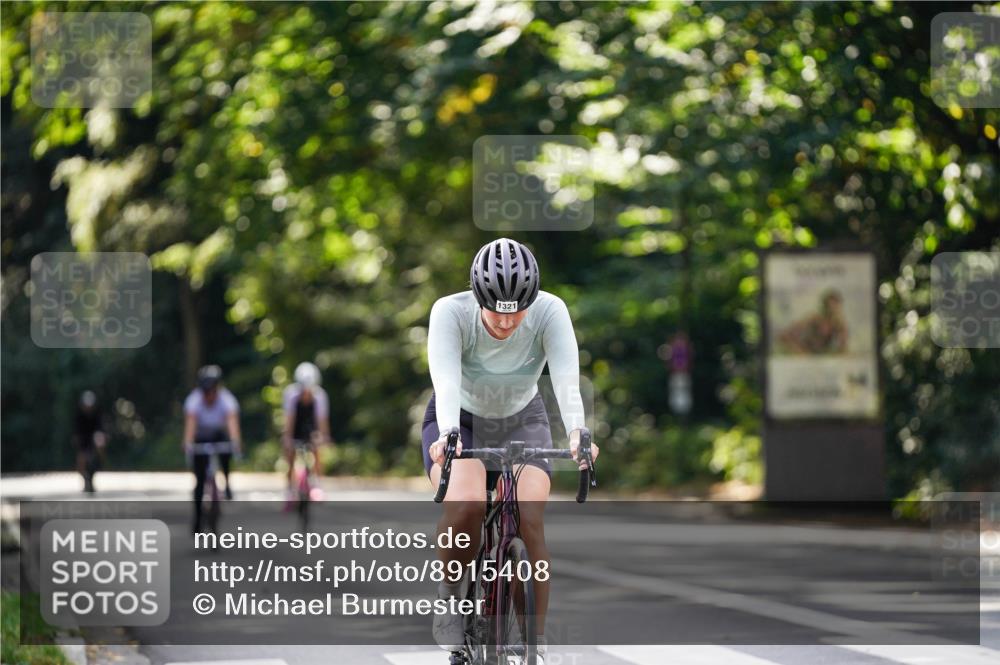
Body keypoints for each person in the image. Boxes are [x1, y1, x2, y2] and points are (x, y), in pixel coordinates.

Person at [423, 237, 600, 662]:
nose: (507, 324)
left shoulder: (550, 311)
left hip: (524, 418)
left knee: (528, 518)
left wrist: (578, 433)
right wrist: (448, 434)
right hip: (460, 419)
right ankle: (450, 596)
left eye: (517, 312)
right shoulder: (451, 312)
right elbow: (445, 382)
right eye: (497, 314)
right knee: (465, 506)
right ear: (477, 296)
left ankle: (534, 642)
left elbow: (566, 382)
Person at [182, 365, 242, 533]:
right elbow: (190, 426)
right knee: (200, 481)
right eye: (206, 391)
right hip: (200, 438)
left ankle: (227, 481)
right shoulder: (194, 401)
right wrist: (188, 444)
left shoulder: (226, 400)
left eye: (212, 391)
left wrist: (235, 442)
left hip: (218, 435)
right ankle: (198, 517)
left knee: (226, 450)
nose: (209, 396)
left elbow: (232, 424)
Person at [281, 361, 331, 500]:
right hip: (296, 425)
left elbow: (322, 421)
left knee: (317, 450)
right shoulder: (291, 395)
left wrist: (324, 437)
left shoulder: (320, 396)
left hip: (311, 427)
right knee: (290, 453)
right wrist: (287, 439)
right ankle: (290, 488)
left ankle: (318, 485)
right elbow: (289, 420)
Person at [72, 390, 106, 493]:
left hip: (94, 440)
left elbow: (101, 429)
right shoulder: (79, 415)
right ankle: (85, 478)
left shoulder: (97, 414)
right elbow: (76, 433)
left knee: (99, 440)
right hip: (83, 440)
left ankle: (100, 463)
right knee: (81, 459)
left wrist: (100, 440)